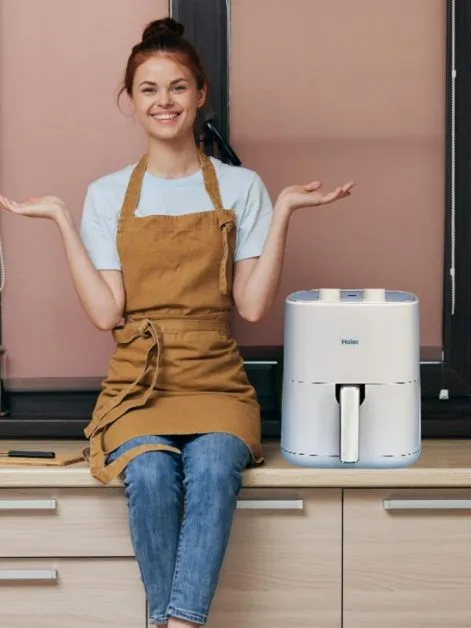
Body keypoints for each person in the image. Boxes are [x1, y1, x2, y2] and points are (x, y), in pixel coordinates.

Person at [0, 17, 354, 627]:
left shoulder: (243, 188)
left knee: (216, 465)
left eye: (178, 87)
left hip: (217, 380)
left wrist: (287, 210)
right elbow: (107, 313)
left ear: (200, 94)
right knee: (152, 471)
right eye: (149, 89)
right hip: (140, 383)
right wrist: (61, 219)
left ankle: (173, 623)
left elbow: (250, 306)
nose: (164, 101)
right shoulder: (108, 195)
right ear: (130, 101)